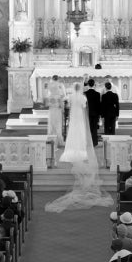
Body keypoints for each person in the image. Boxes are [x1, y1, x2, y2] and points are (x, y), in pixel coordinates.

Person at [45, 83, 113, 212]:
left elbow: (68, 106)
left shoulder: (71, 97)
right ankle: (81, 148)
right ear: (80, 89)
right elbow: (84, 107)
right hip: (80, 118)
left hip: (73, 118)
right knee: (81, 133)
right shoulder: (83, 97)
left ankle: (71, 148)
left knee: (73, 133)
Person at [45, 74, 67, 148]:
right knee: (58, 123)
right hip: (57, 107)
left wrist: (51, 100)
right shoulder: (60, 85)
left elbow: (46, 98)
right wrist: (62, 107)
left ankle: (51, 139)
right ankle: (58, 140)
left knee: (51, 123)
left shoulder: (49, 85)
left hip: (52, 107)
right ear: (58, 79)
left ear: (52, 79)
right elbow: (63, 96)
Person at [83, 78, 101, 146]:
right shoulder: (97, 94)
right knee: (94, 129)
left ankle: (87, 142)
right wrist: (99, 115)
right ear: (94, 85)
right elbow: (98, 105)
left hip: (87, 113)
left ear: (88, 84)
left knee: (88, 128)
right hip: (95, 113)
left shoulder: (85, 93)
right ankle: (95, 142)